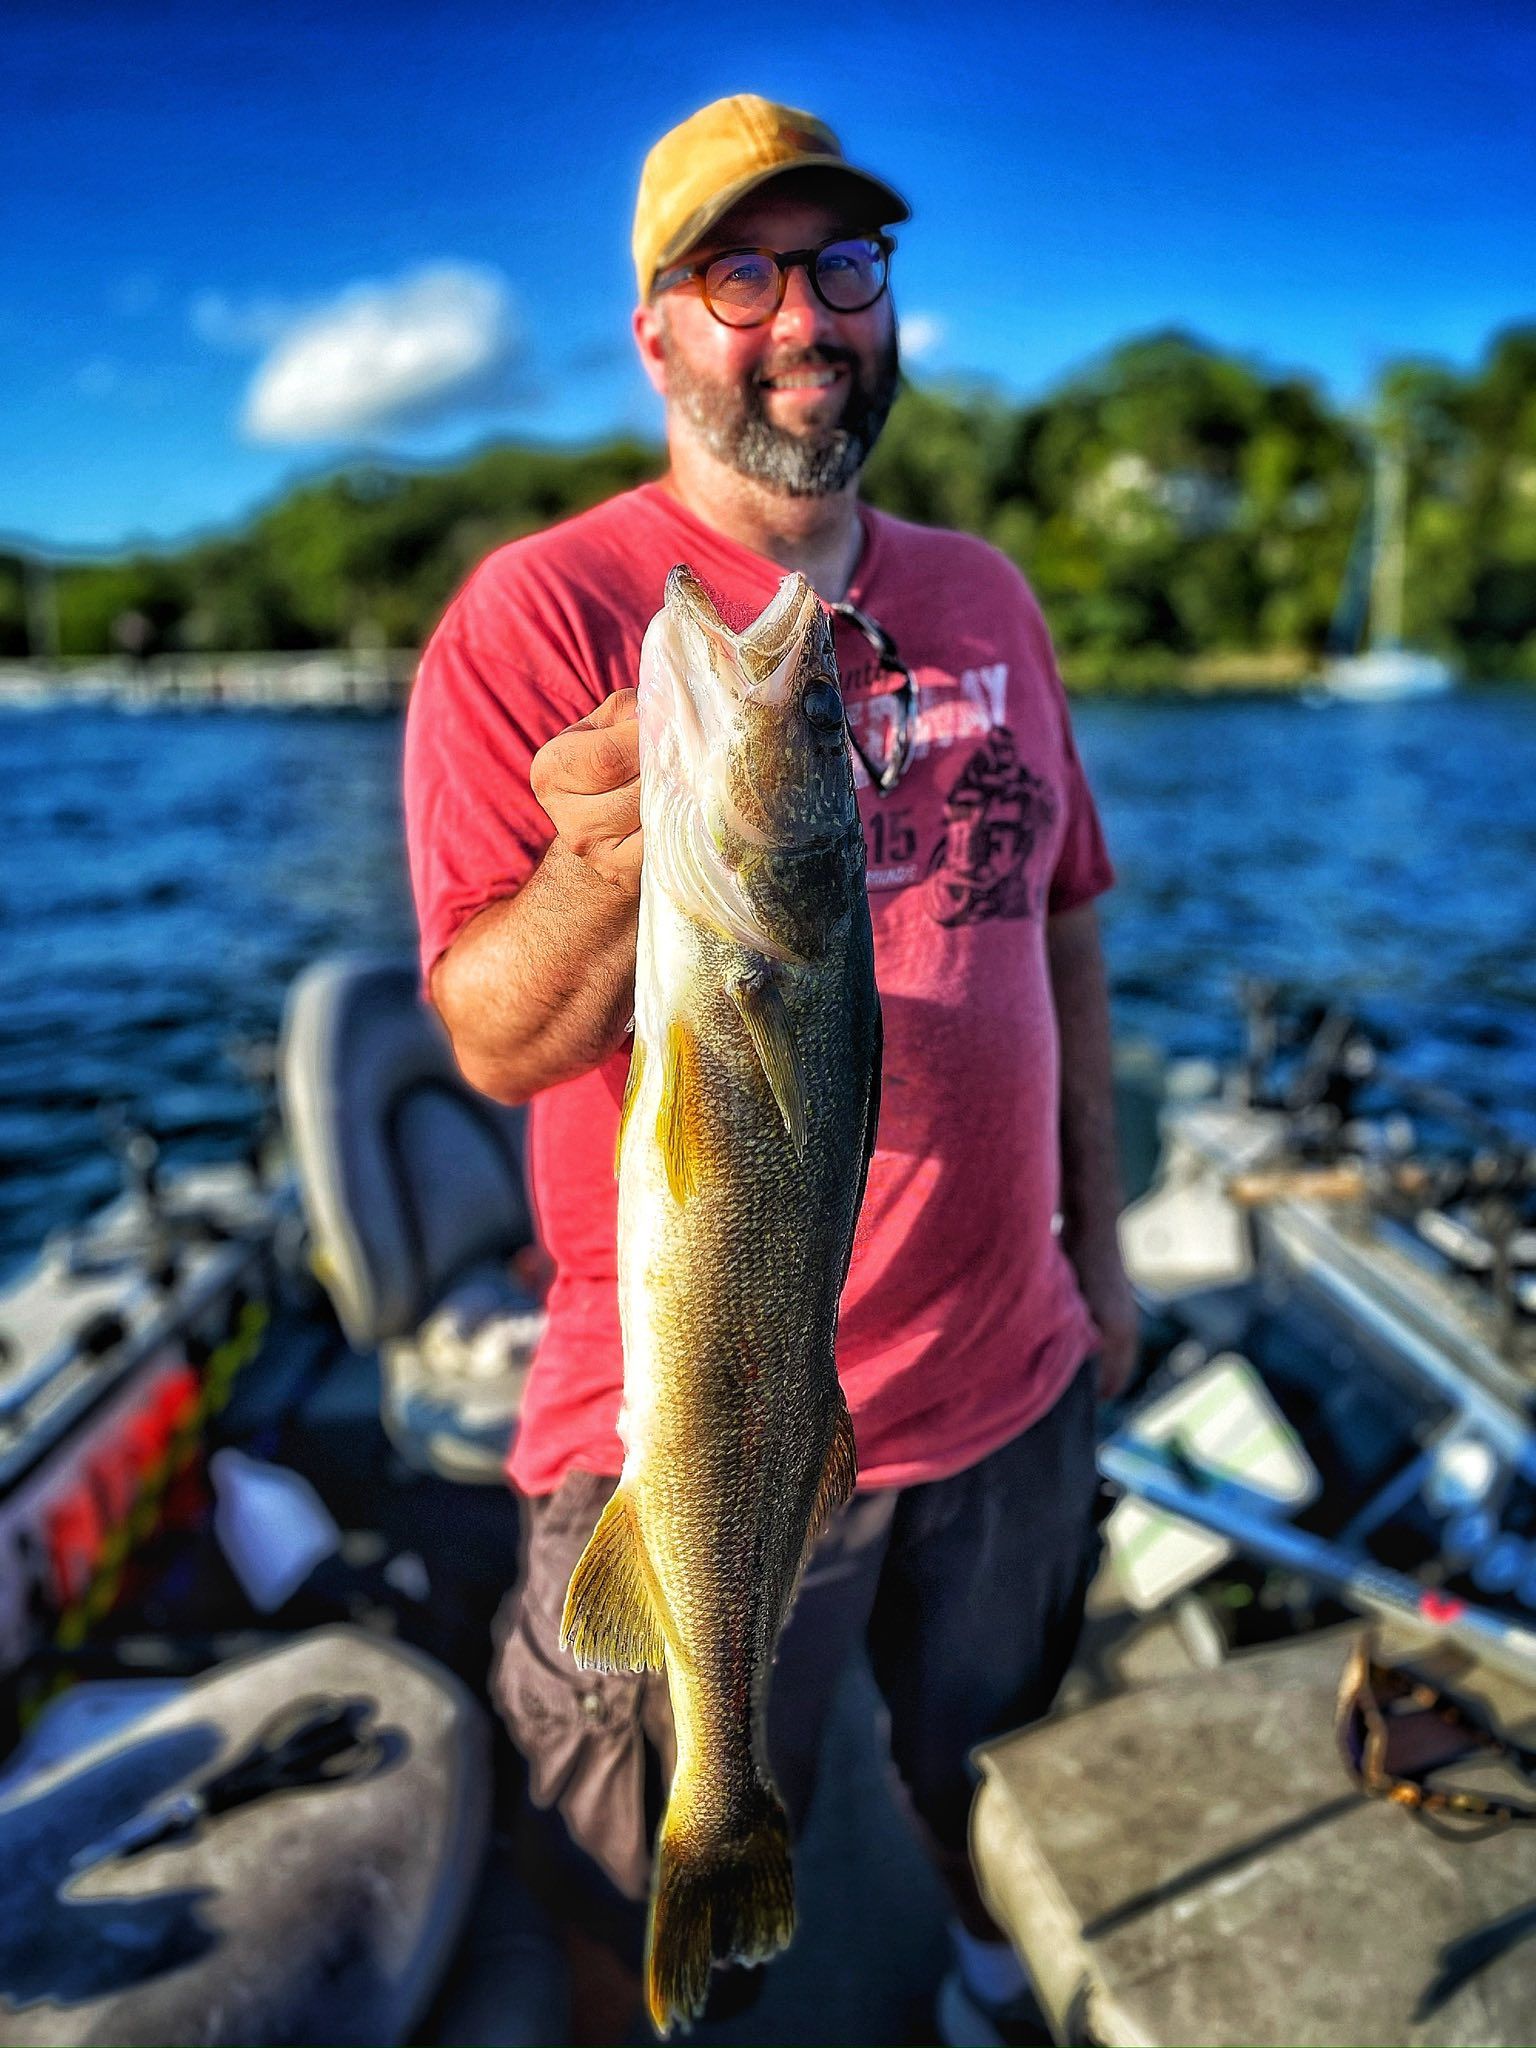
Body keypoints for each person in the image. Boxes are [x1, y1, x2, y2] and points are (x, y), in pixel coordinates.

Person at [404, 93, 1138, 2047]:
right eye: (743, 272)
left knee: (993, 1762)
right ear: (655, 330)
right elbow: (488, 1030)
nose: (806, 313)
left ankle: (990, 1980)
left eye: (846, 266)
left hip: (1014, 1381)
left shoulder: (986, 592)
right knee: (615, 1868)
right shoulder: (536, 618)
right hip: (681, 1422)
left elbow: (1062, 931)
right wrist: (609, 858)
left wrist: (1109, 1255)